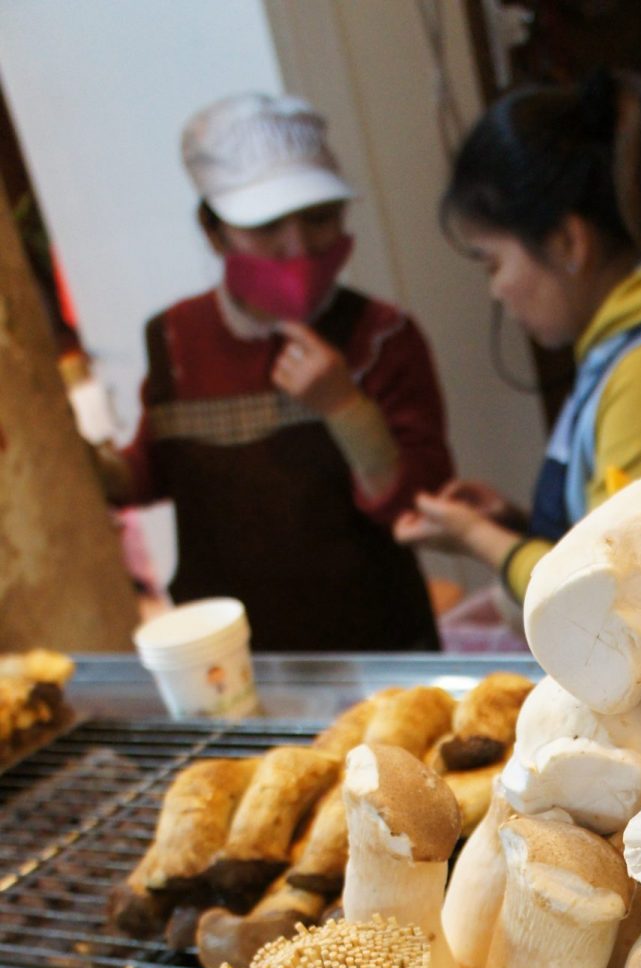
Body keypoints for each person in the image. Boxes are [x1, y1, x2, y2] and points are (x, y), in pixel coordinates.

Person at [395, 69, 641, 607]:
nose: (498, 292)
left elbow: (619, 597)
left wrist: (477, 538)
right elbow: (619, 529)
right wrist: (516, 523)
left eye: (493, 263)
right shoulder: (623, 350)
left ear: (568, 241)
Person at [100, 93, 453, 653]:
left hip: (373, 638)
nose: (299, 246)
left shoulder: (383, 335)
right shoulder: (173, 336)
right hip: (234, 649)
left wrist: (345, 409)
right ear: (215, 232)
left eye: (320, 219)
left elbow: (419, 504)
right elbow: (152, 470)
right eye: (267, 227)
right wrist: (83, 465)